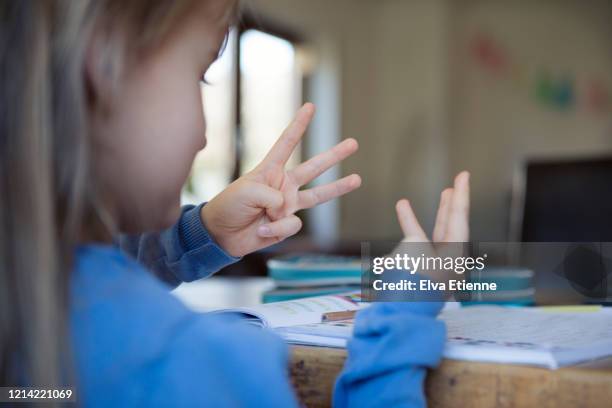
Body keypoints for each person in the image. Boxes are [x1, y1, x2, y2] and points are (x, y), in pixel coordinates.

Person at [0, 0, 470, 406]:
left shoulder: (29, 307)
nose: (205, 136)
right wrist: (404, 311)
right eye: (200, 74)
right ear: (104, 64)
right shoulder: (201, 370)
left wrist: (200, 233)